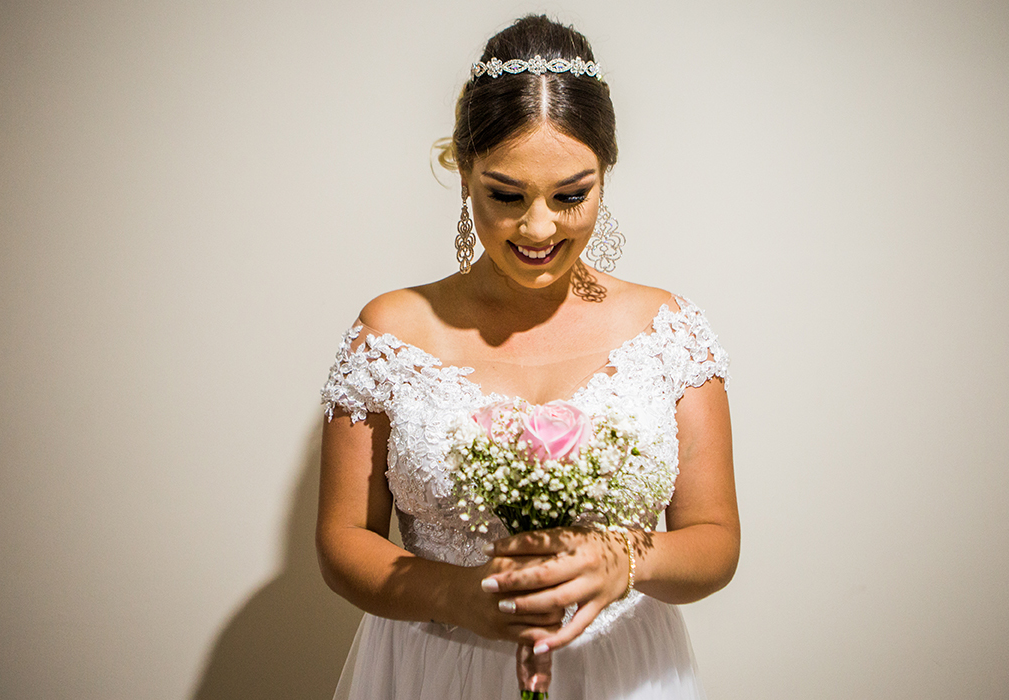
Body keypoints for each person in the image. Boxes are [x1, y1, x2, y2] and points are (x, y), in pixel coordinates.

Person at [316, 15, 738, 700]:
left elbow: (715, 542)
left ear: (605, 175)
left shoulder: (669, 331)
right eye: (505, 195)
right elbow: (342, 542)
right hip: (438, 666)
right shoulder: (390, 333)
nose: (538, 228)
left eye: (571, 195)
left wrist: (625, 559)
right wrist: (457, 595)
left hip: (621, 672)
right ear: (464, 173)